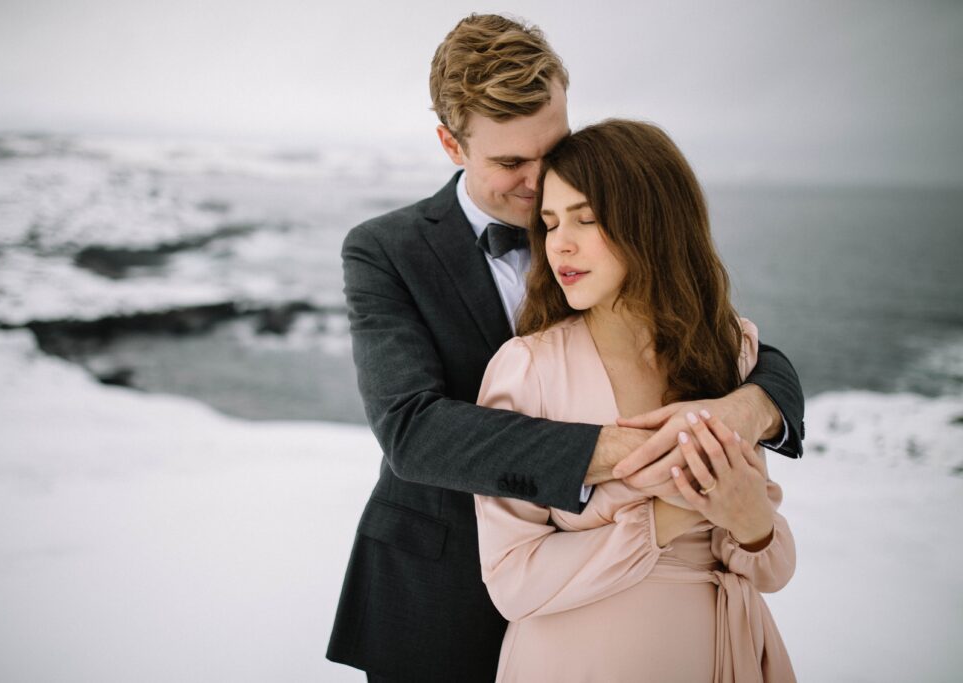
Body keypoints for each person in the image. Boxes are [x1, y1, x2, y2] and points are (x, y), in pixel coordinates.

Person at [327, 14, 804, 682]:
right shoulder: (385, 250)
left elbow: (725, 342)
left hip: (618, 615)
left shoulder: (607, 227)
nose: (537, 180)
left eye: (551, 149)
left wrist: (755, 405)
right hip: (442, 588)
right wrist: (634, 453)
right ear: (450, 144)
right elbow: (411, 428)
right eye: (509, 163)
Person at [475, 119, 796, 682]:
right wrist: (665, 517)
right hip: (573, 663)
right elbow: (511, 581)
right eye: (550, 223)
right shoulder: (527, 369)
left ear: (652, 224)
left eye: (587, 219)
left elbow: (773, 569)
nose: (560, 244)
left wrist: (752, 523)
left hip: (722, 657)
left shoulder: (731, 350)